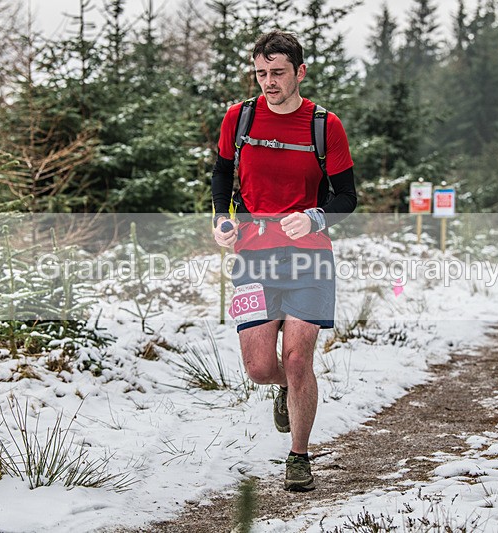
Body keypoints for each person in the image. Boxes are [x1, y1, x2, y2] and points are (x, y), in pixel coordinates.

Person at [211, 30, 357, 491]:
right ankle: (285, 389)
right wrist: (221, 218)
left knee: (297, 360)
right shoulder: (239, 117)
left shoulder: (324, 125)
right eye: (260, 73)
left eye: (277, 73)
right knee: (258, 367)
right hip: (252, 255)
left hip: (308, 259)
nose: (268, 82)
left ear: (300, 72)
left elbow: (348, 197)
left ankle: (299, 455)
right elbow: (220, 171)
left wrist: (315, 219)